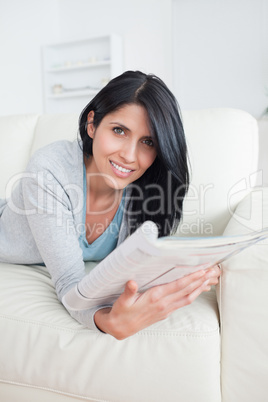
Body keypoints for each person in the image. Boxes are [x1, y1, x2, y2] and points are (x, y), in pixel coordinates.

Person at [0, 71, 220, 339]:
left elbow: (140, 268)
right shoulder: (50, 168)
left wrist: (195, 269)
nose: (129, 156)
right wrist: (105, 321)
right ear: (92, 124)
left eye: (147, 142)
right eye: (119, 131)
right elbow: (71, 285)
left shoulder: (146, 191)